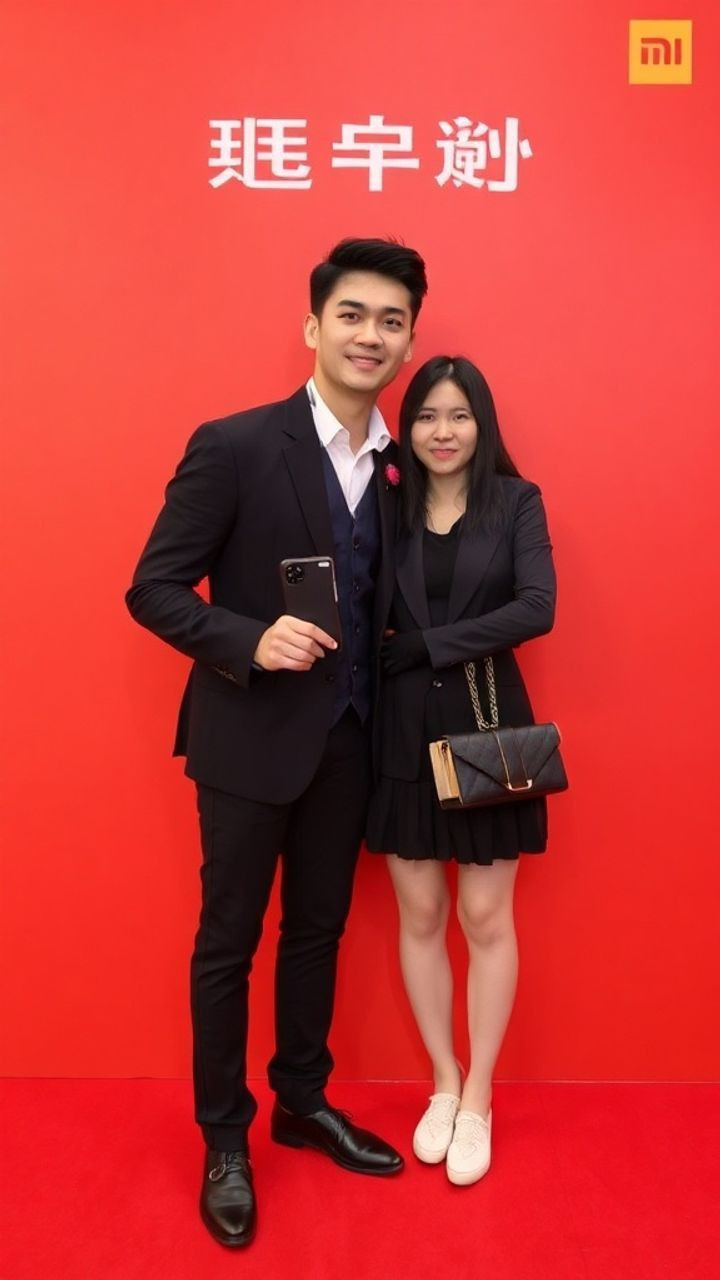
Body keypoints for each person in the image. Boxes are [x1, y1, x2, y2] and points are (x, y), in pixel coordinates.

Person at [126, 238, 428, 1248]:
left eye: (391, 321)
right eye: (352, 314)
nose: (370, 335)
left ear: (408, 342)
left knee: (318, 931)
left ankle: (302, 1097)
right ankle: (225, 1137)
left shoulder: (403, 467)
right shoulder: (235, 445)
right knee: (229, 941)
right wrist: (248, 639)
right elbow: (153, 588)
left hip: (351, 740)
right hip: (248, 737)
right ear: (313, 326)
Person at [366, 355, 557, 1187]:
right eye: (426, 416)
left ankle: (479, 1097)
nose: (441, 432)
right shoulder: (385, 505)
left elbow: (537, 607)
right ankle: (443, 1081)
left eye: (458, 416)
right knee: (419, 912)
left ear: (482, 424)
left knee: (484, 917)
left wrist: (428, 645)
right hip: (401, 729)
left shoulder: (516, 501)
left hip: (487, 723)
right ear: (406, 427)